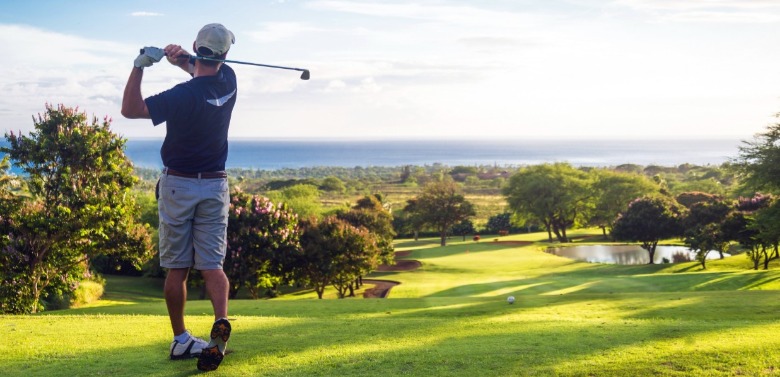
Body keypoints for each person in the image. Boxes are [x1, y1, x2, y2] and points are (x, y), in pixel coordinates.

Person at [121, 23, 236, 372]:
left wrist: (140, 65)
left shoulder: (180, 96)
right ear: (226, 54)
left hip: (179, 185)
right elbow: (201, 69)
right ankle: (220, 324)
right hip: (215, 185)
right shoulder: (229, 80)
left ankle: (182, 340)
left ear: (195, 47)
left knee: (178, 268)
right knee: (212, 265)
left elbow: (131, 109)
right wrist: (181, 60)